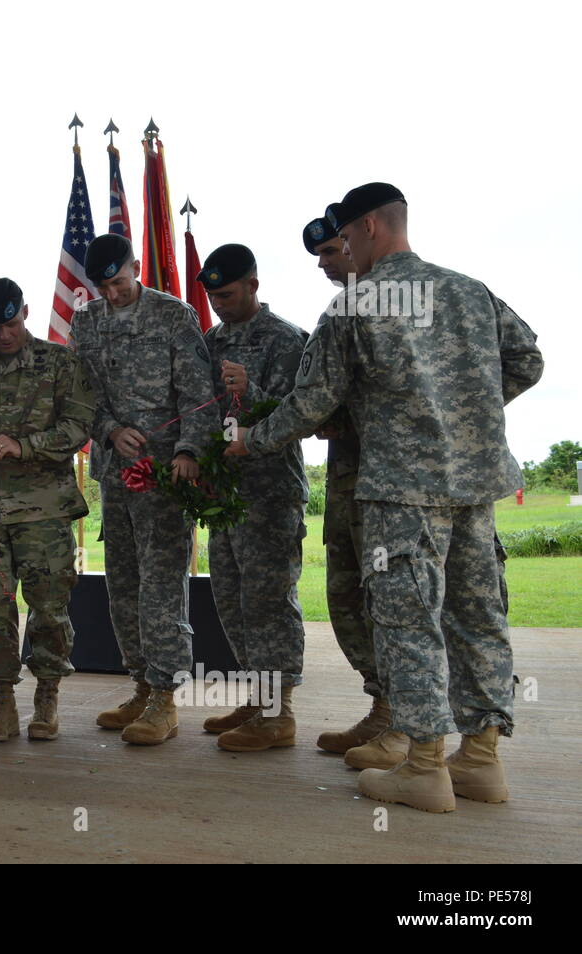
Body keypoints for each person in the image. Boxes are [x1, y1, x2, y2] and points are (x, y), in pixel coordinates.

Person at [229, 183, 543, 812]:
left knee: (408, 622)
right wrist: (461, 416)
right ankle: (480, 760)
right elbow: (527, 360)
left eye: (344, 237)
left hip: (401, 492)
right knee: (478, 617)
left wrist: (250, 442)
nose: (341, 248)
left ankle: (424, 767)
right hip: (475, 487)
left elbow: (312, 401)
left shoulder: (354, 306)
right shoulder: (469, 291)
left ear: (370, 226)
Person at [68, 233, 216, 746]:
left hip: (167, 480)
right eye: (104, 287)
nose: (112, 293)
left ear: (136, 267)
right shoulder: (85, 322)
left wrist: (188, 452)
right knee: (122, 587)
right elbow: (79, 394)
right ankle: (138, 683)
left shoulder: (173, 316)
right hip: (115, 472)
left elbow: (201, 395)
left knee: (160, 588)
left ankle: (165, 697)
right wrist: (108, 429)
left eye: (120, 282)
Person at [0, 278, 94, 742]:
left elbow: (78, 427)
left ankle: (47, 696)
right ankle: (2, 702)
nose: (4, 335)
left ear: (26, 312)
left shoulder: (60, 364)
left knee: (49, 609)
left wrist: (25, 445)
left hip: (44, 511)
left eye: (10, 324)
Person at [198, 244, 309, 751]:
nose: (219, 304)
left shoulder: (286, 339)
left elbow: (305, 411)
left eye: (228, 294)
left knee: (268, 600)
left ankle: (278, 711)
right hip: (226, 491)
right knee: (231, 597)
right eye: (213, 296)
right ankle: (257, 692)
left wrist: (254, 383)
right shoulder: (210, 340)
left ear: (253, 285)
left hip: (270, 491)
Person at [301, 208, 399, 763]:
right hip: (346, 482)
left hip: (396, 488)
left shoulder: (418, 300)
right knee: (346, 596)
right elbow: (316, 397)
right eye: (319, 257)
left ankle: (412, 729)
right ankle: (384, 710)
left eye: (333, 251)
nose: (326, 263)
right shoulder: (336, 314)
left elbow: (521, 361)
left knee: (397, 602)